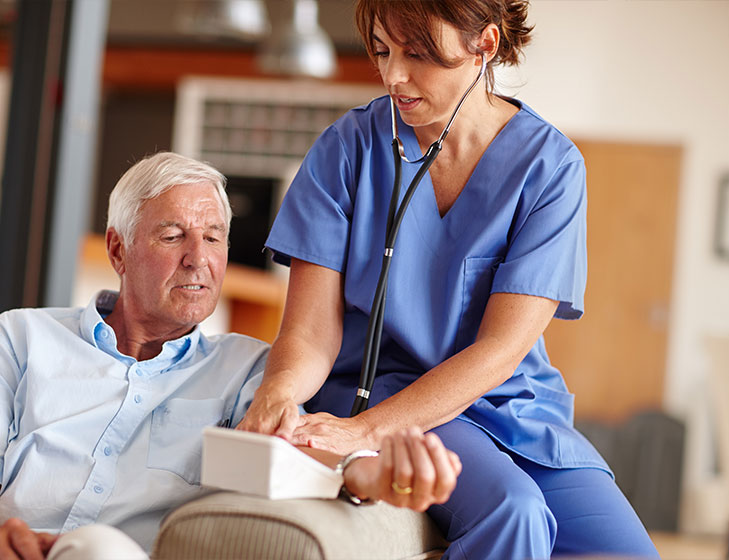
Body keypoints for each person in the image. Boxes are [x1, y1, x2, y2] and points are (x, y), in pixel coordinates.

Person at [237, 1, 660, 558]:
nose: (393, 76)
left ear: (483, 45)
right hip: (388, 391)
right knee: (515, 512)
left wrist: (362, 437)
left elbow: (500, 352)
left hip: (512, 407)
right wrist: (280, 394)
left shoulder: (549, 166)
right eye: (383, 51)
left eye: (418, 55)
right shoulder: (348, 150)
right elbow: (311, 334)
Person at [0, 152, 461, 560]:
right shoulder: (19, 337)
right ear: (119, 249)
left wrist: (376, 475)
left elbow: (299, 457)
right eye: (172, 236)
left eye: (214, 238)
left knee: (96, 550)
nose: (200, 259)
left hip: (109, 555)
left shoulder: (251, 369)